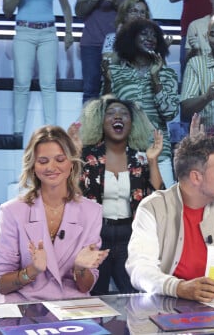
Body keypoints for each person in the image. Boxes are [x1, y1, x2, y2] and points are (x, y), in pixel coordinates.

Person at [125, 134, 214, 302]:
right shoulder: (153, 207)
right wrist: (179, 288)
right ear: (196, 177)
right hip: (167, 309)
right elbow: (139, 269)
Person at [0, 126, 109, 303]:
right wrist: (33, 270)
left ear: (71, 163)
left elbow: (85, 287)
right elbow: (0, 284)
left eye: (60, 159)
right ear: (33, 166)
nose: (51, 167)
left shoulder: (91, 212)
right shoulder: (12, 211)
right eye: (43, 161)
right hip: (24, 305)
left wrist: (80, 268)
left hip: (71, 307)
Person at [69, 96, 164, 295]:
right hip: (96, 236)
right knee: (94, 296)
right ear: (101, 122)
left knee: (134, 295)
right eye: (110, 114)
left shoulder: (140, 158)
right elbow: (73, 195)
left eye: (123, 114)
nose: (117, 117)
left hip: (130, 236)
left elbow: (157, 197)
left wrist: (153, 161)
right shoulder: (88, 156)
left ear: (132, 124)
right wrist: (75, 157)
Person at [2, 0, 73, 136]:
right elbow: (7, 11)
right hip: (24, 32)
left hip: (48, 32)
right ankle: (17, 133)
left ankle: (52, 133)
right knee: (21, 83)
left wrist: (68, 31)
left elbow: (66, 6)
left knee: (49, 84)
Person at [103, 19, 179, 188]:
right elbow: (105, 113)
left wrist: (155, 78)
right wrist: (107, 82)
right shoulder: (115, 72)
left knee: (164, 207)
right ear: (131, 38)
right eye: (144, 34)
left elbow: (170, 113)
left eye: (154, 35)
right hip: (124, 152)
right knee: (126, 211)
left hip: (160, 152)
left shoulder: (167, 74)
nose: (150, 38)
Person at [75, 0, 135, 104]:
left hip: (118, 45)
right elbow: (80, 11)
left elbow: (133, 15)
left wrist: (116, 1)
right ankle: (89, 128)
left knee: (117, 91)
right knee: (90, 90)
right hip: (91, 45)